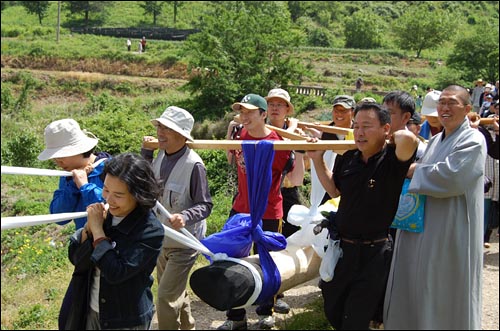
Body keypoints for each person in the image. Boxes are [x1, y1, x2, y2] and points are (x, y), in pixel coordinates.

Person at [307, 102, 419, 330]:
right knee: (333, 307)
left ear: (385, 129)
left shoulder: (393, 160)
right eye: (356, 126)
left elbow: (411, 141)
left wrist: (389, 138)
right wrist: (317, 160)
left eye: (367, 126)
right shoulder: (348, 158)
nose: (359, 132)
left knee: (356, 317)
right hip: (342, 249)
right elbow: (335, 190)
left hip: (374, 253)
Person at [384, 85, 486, 329]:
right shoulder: (436, 140)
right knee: (418, 283)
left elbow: (452, 178)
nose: (445, 107)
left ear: (468, 109)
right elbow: (419, 158)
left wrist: (407, 171)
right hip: (425, 225)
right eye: (442, 103)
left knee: (444, 285)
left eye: (452, 103)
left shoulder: (473, 139)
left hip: (452, 227)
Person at [64, 152, 165, 329]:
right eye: (106, 189)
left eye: (118, 195)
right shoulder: (105, 217)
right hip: (92, 310)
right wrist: (88, 230)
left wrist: (97, 231)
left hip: (126, 319)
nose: (108, 199)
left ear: (138, 194)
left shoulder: (150, 230)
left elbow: (116, 272)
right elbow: (76, 259)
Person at [220, 93, 294, 330]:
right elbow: (231, 158)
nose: (244, 116)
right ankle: (236, 316)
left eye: (250, 112)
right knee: (233, 260)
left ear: (263, 115)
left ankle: (265, 311)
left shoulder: (279, 142)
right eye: (242, 112)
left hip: (269, 210)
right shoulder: (240, 136)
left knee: (266, 260)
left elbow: (290, 174)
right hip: (241, 207)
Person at [141, 106, 213, 330]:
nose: (160, 132)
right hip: (161, 238)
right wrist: (145, 153)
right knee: (172, 291)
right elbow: (144, 185)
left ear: (182, 135)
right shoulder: (160, 155)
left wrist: (185, 216)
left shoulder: (194, 165)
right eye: (160, 126)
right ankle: (188, 326)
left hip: (184, 242)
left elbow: (206, 204)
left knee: (164, 297)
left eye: (167, 128)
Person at [37, 118, 112, 330]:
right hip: (86, 255)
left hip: (111, 252)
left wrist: (85, 185)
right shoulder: (67, 174)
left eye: (60, 154)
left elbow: (109, 210)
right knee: (69, 318)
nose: (57, 160)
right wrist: (72, 183)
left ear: (78, 149)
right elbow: (59, 217)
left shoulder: (109, 168)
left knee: (105, 318)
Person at [264, 87, 305, 315]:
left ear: (287, 109)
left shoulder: (294, 133)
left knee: (282, 244)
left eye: (280, 104)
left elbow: (297, 175)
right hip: (262, 192)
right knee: (258, 244)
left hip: (286, 193)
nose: (275, 108)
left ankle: (278, 293)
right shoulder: (259, 130)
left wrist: (292, 131)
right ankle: (261, 290)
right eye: (272, 104)